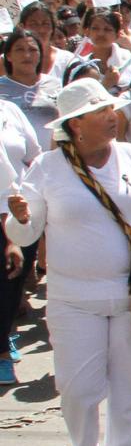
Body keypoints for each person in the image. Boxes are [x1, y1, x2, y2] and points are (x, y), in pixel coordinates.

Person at [6, 78, 131, 446]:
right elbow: (26, 234)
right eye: (99, 111)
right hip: (72, 303)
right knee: (78, 392)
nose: (112, 116)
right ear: (75, 125)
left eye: (109, 108)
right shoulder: (47, 168)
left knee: (130, 398)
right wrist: (17, 220)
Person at [0, 99, 40, 384]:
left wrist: (11, 234)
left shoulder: (9, 110)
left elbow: (7, 183)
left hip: (13, 212)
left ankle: (3, 348)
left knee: (9, 286)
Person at [0, 29, 60, 152]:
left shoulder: (54, 84)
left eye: (32, 50)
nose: (27, 55)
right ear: (9, 56)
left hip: (50, 162)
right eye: (19, 50)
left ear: (40, 55)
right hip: (13, 164)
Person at [82, 8, 131, 92]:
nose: (101, 34)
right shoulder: (81, 65)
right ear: (87, 32)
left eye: (107, 29)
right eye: (95, 28)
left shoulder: (129, 60)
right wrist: (106, 85)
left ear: (117, 34)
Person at [19, 2, 71, 80]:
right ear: (22, 27)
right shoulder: (7, 61)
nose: (41, 30)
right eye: (33, 24)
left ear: (53, 28)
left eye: (45, 24)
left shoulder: (68, 60)